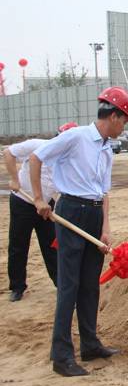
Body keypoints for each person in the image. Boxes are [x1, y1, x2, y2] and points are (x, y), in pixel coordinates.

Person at [29, 86, 128, 377]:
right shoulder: (75, 137)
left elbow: (104, 192)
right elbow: (36, 158)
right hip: (71, 211)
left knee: (89, 284)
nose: (124, 127)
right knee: (69, 286)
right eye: (124, 120)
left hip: (94, 214)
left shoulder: (106, 150)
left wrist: (105, 229)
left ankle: (90, 343)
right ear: (112, 116)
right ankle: (61, 356)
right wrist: (39, 199)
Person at [3, 123, 76, 301]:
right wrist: (14, 179)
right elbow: (8, 152)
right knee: (18, 245)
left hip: (46, 206)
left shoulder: (69, 160)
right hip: (23, 201)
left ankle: (61, 284)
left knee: (52, 245)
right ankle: (17, 287)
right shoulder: (38, 145)